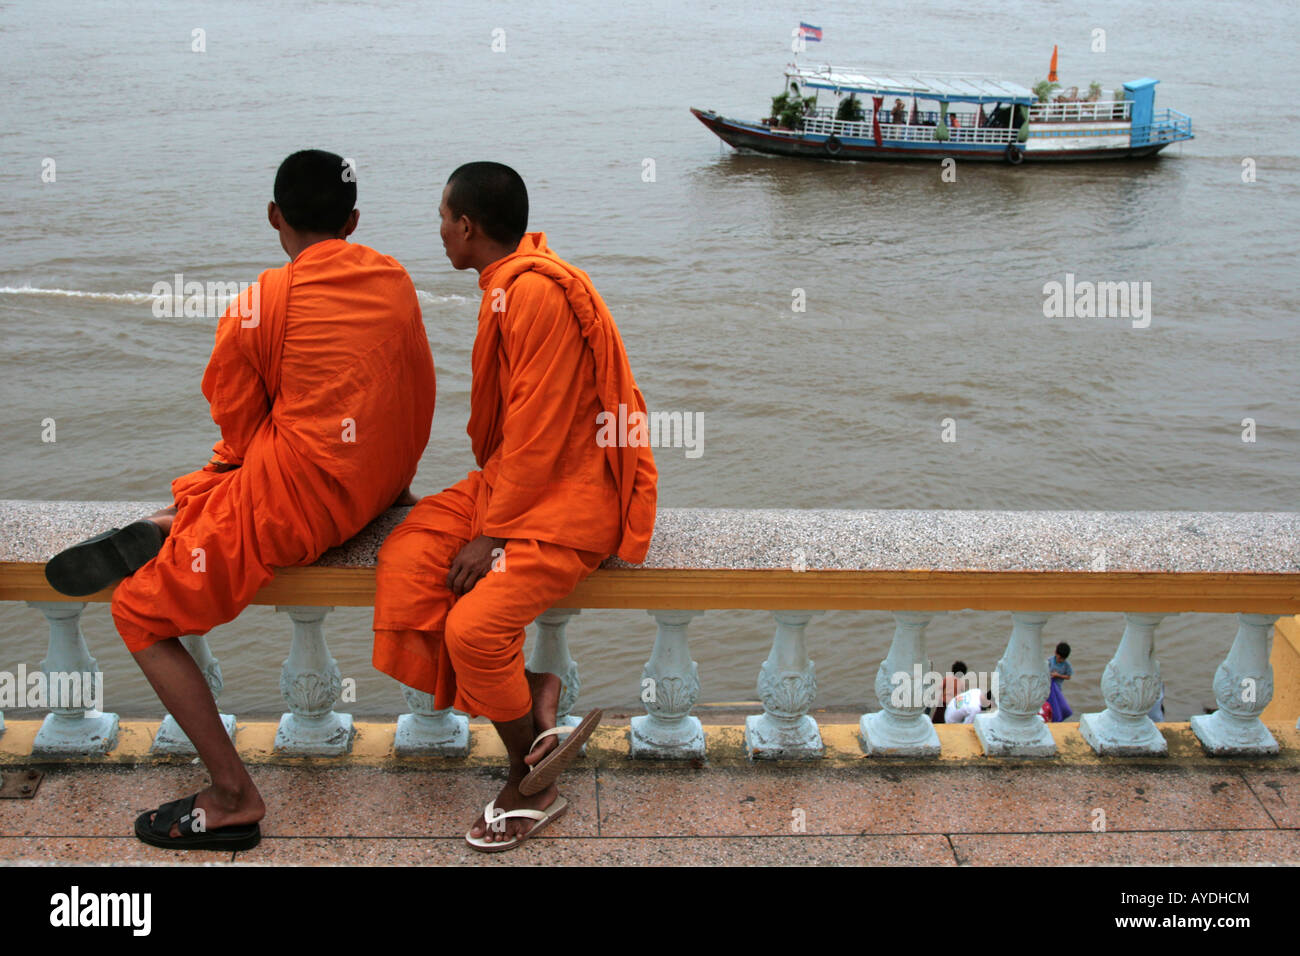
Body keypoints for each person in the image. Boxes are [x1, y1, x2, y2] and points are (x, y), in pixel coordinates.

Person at [44, 149, 437, 850]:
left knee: (138, 611)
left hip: (304, 508)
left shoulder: (263, 302)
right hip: (380, 486)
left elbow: (236, 419)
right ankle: (177, 520)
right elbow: (412, 387)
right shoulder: (393, 277)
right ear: (353, 221)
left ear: (273, 217)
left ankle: (231, 795)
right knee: (218, 486)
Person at [371, 162, 657, 853]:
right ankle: (532, 691)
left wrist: (495, 532)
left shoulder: (532, 296)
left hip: (567, 499)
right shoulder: (507, 286)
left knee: (472, 632)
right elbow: (519, 436)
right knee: (407, 558)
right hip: (514, 480)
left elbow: (539, 423)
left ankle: (529, 781)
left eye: (443, 219)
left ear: (467, 226)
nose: (439, 231)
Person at [1045, 641, 1073, 721]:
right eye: (1059, 658)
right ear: (1055, 653)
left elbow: (1068, 676)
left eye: (1063, 659)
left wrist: (1058, 675)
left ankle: (1056, 718)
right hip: (1047, 686)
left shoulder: (1067, 665)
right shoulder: (1050, 661)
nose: (1060, 660)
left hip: (1057, 689)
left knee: (1056, 706)